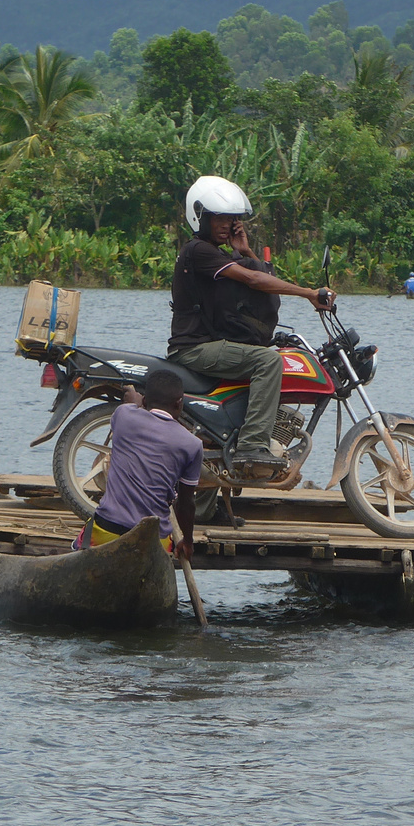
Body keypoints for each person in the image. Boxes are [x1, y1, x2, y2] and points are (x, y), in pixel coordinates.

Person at [168, 175, 336, 472]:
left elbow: (255, 279)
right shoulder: (198, 251)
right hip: (194, 348)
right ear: (200, 217)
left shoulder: (219, 256)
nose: (224, 224)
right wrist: (309, 293)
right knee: (268, 363)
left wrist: (245, 251)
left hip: (213, 344)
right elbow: (254, 279)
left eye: (230, 219)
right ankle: (251, 445)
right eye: (218, 217)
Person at [72, 370, 203, 562]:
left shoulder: (124, 415)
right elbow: (185, 504)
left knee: (77, 548)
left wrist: (137, 402)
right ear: (179, 403)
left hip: (107, 529)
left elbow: (132, 407)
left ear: (146, 401)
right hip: (153, 540)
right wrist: (188, 541)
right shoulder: (192, 444)